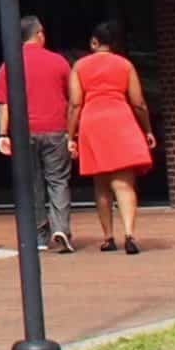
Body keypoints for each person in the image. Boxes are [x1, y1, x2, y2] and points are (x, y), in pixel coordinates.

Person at [67, 19, 156, 253]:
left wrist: (71, 135)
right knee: (124, 184)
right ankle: (129, 234)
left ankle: (108, 237)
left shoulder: (80, 67)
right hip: (120, 119)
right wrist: (147, 129)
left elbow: (76, 103)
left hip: (93, 122)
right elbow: (138, 103)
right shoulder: (125, 65)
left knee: (101, 184)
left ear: (94, 42)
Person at [0, 14, 77, 254]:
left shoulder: (10, 63)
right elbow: (72, 99)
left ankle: (40, 234)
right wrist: (72, 133)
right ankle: (61, 227)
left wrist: (2, 134)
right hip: (55, 129)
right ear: (39, 34)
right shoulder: (59, 61)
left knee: (32, 183)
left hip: (23, 132)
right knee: (58, 180)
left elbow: (4, 103)